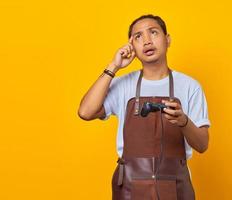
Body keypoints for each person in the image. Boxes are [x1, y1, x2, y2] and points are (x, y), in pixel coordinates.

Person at [78, 14, 211, 200]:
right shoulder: (123, 84)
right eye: (138, 37)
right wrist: (113, 67)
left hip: (175, 186)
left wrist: (183, 121)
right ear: (132, 46)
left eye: (153, 32)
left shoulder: (190, 86)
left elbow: (202, 144)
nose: (147, 41)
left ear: (168, 39)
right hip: (129, 187)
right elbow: (85, 112)